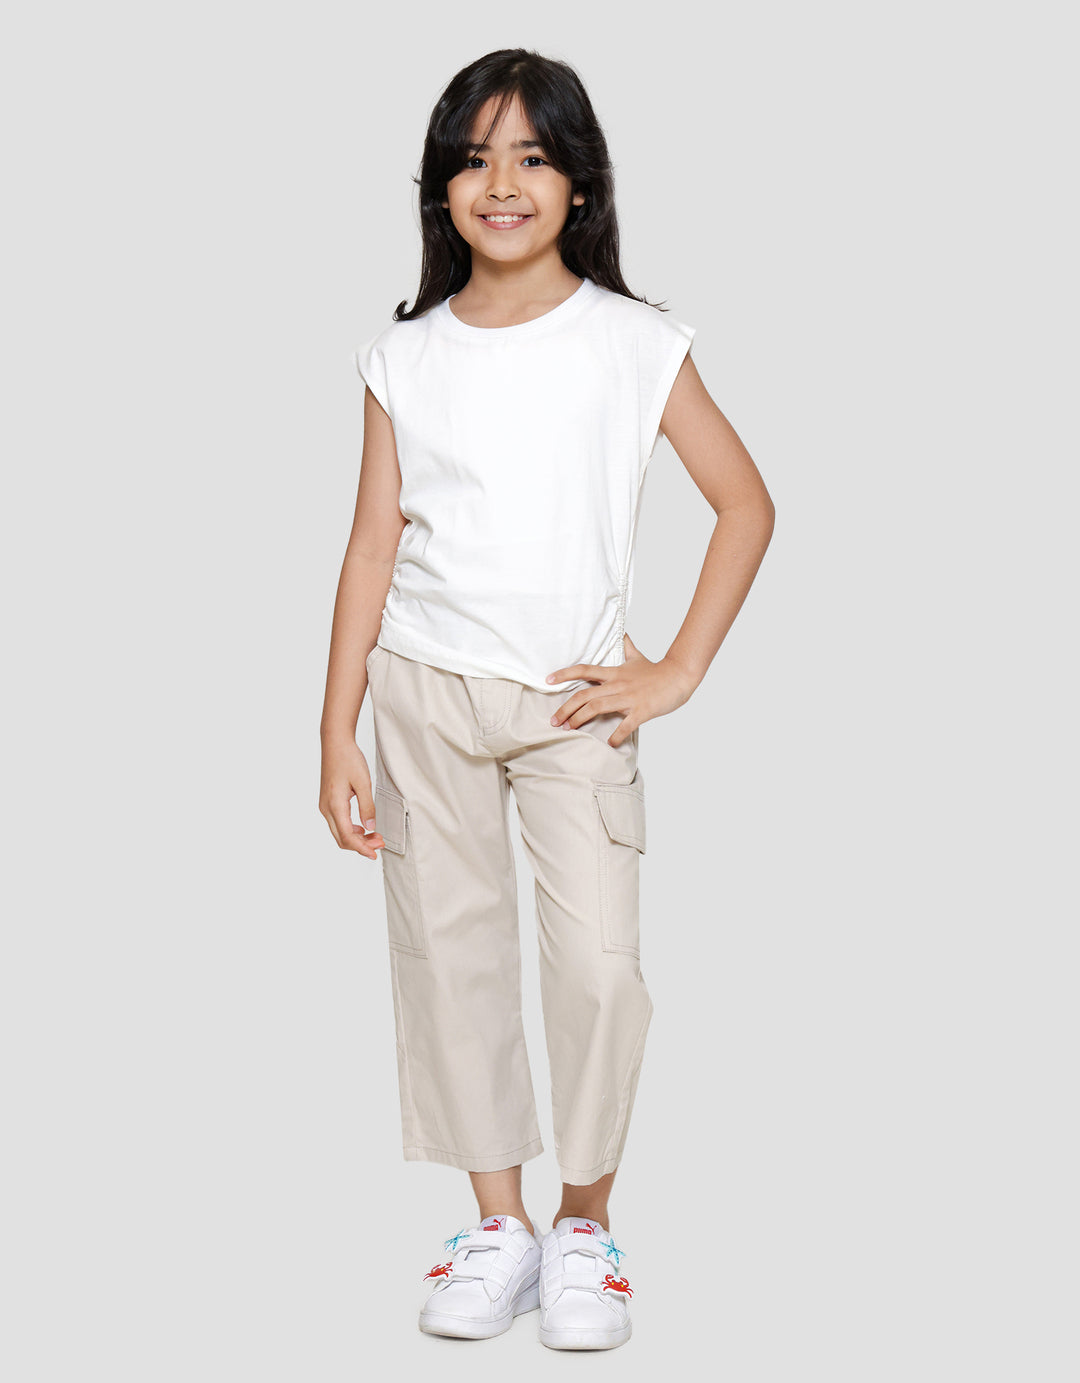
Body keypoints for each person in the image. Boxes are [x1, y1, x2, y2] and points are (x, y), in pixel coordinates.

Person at [319, 48, 775, 1351]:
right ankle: (498, 1225)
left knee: (599, 970)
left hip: (574, 705)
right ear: (441, 187)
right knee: (449, 957)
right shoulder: (402, 356)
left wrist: (674, 670)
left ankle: (584, 1224)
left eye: (531, 155)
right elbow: (371, 545)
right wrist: (335, 724)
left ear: (580, 182)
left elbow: (745, 504)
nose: (502, 182)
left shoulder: (633, 343)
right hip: (423, 695)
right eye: (474, 158)